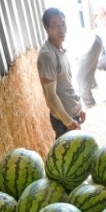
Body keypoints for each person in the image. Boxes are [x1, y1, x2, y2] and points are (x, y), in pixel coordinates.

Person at [37, 8, 85, 138]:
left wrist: (80, 107)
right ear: (46, 28)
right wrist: (68, 121)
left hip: (73, 114)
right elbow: (51, 95)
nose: (61, 29)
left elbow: (67, 83)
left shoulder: (60, 49)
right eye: (55, 25)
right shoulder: (47, 55)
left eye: (63, 24)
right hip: (64, 121)